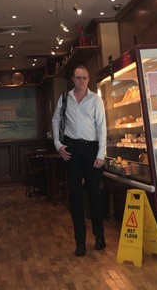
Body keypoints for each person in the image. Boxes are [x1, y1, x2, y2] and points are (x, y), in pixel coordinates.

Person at [52, 64, 107, 256]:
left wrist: (101, 154)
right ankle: (80, 242)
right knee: (75, 196)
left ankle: (100, 237)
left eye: (84, 78)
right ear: (73, 79)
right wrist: (58, 145)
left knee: (95, 194)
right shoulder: (64, 98)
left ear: (88, 79)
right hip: (71, 149)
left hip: (91, 149)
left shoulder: (95, 100)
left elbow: (102, 127)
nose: (81, 81)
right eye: (78, 77)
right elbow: (55, 121)